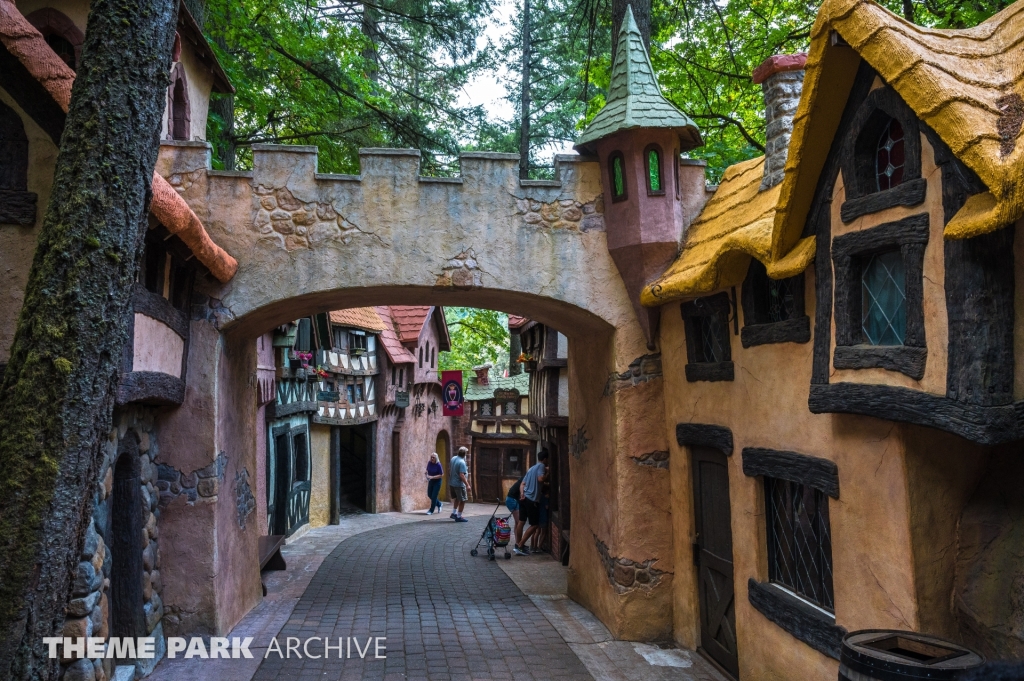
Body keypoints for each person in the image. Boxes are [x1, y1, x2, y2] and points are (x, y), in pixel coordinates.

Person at [514, 449, 548, 555]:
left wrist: (522, 494)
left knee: (521, 522)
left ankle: (518, 544)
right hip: (532, 500)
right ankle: (520, 546)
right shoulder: (542, 466)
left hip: (524, 498)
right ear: (545, 459)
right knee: (534, 525)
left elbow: (522, 484)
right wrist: (548, 473)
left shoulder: (531, 468)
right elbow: (540, 479)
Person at [448, 446, 471, 522]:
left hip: (452, 483)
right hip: (459, 484)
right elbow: (462, 475)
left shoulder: (453, 458)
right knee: (462, 500)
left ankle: (454, 513)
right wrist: (467, 485)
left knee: (457, 498)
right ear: (465, 454)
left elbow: (450, 469)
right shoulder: (462, 462)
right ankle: (459, 516)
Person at [505, 476, 525, 547]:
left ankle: (517, 542)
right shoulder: (524, 481)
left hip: (511, 499)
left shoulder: (522, 480)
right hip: (513, 500)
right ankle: (518, 544)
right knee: (520, 522)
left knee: (517, 523)